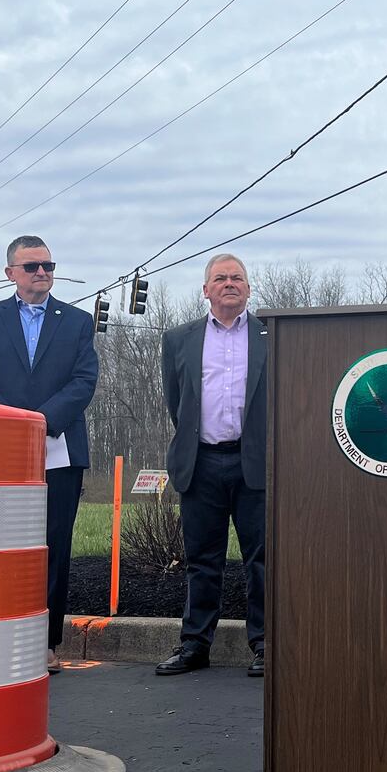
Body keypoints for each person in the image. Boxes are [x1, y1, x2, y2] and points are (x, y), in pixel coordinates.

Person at [0, 235, 99, 674]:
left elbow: (83, 380)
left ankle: (44, 642)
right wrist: (17, 421)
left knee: (52, 548)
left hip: (59, 451)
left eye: (47, 265)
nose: (42, 272)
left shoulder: (76, 322)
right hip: (1, 449)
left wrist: (42, 421)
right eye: (31, 266)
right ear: (10, 274)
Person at [155, 254, 268, 679]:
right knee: (202, 559)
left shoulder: (269, 335)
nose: (229, 284)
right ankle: (195, 645)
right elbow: (176, 401)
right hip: (201, 463)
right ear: (205, 290)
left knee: (262, 558)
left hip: (254, 462)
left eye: (237, 278)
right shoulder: (179, 339)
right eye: (219, 278)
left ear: (248, 288)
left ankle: (264, 643)